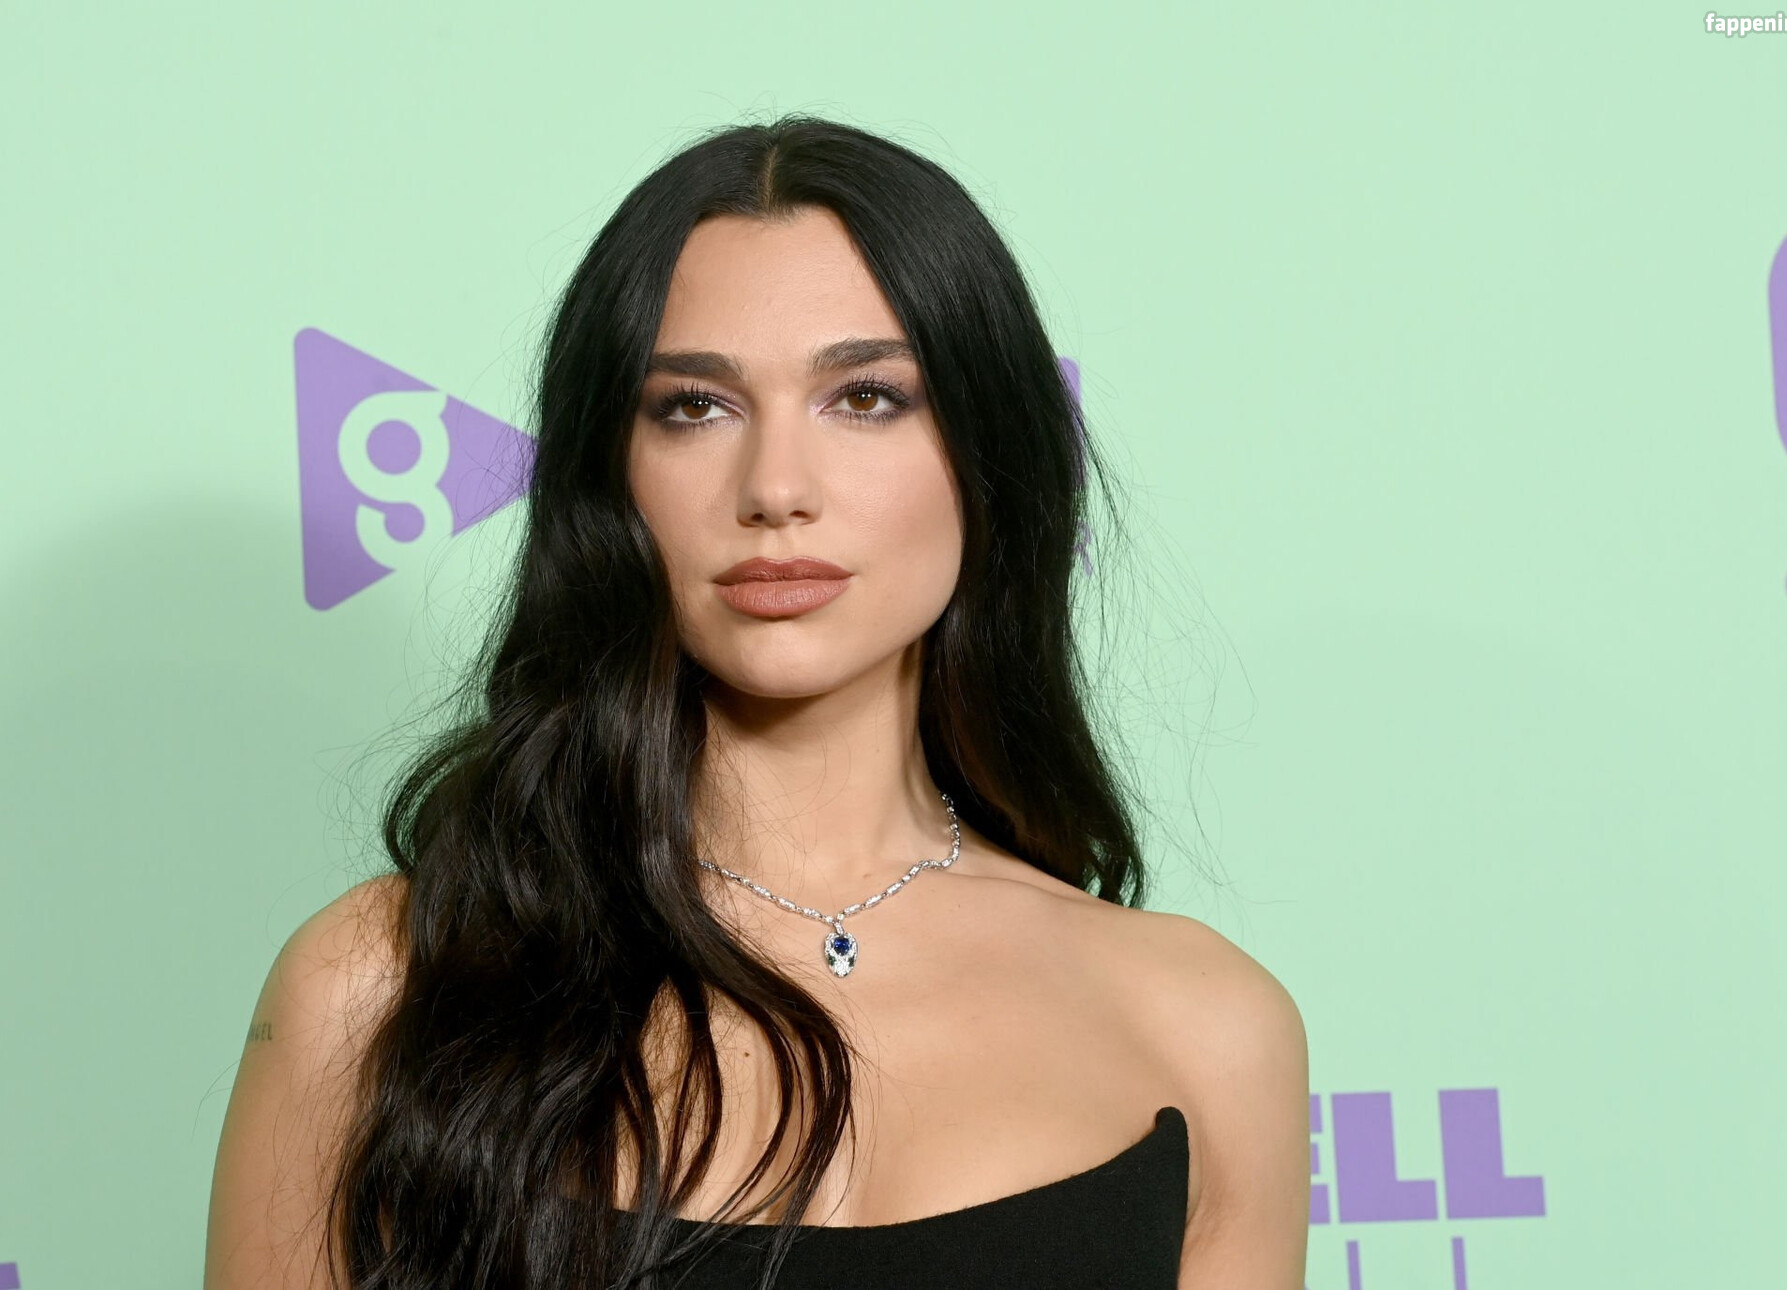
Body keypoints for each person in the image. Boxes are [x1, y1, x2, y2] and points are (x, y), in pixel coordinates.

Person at [204, 113, 1309, 1289]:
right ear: (608, 474)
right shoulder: (380, 987)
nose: (776, 488)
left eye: (866, 397)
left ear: (988, 453)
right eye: (694, 407)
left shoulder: (1203, 1025)